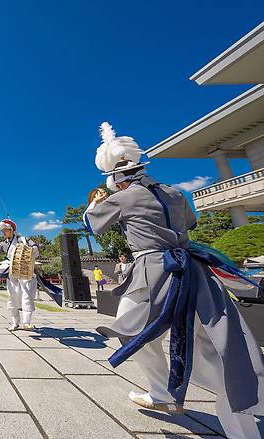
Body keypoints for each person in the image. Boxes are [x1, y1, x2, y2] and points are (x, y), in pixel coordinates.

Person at [84, 122, 264, 439]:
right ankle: (243, 427)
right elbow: (190, 223)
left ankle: (162, 391)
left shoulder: (123, 198)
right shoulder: (176, 193)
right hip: (194, 271)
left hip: (153, 271)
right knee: (215, 344)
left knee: (129, 326)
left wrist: (95, 204)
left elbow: (92, 223)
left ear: (116, 177)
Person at [0, 219, 40, 331]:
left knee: (27, 296)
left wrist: (27, 249)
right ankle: (15, 322)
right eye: (2, 231)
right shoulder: (3, 244)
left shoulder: (24, 239)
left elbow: (35, 249)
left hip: (26, 271)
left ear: (11, 230)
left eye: (5, 230)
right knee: (13, 296)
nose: (3, 233)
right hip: (13, 272)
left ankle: (26, 322)